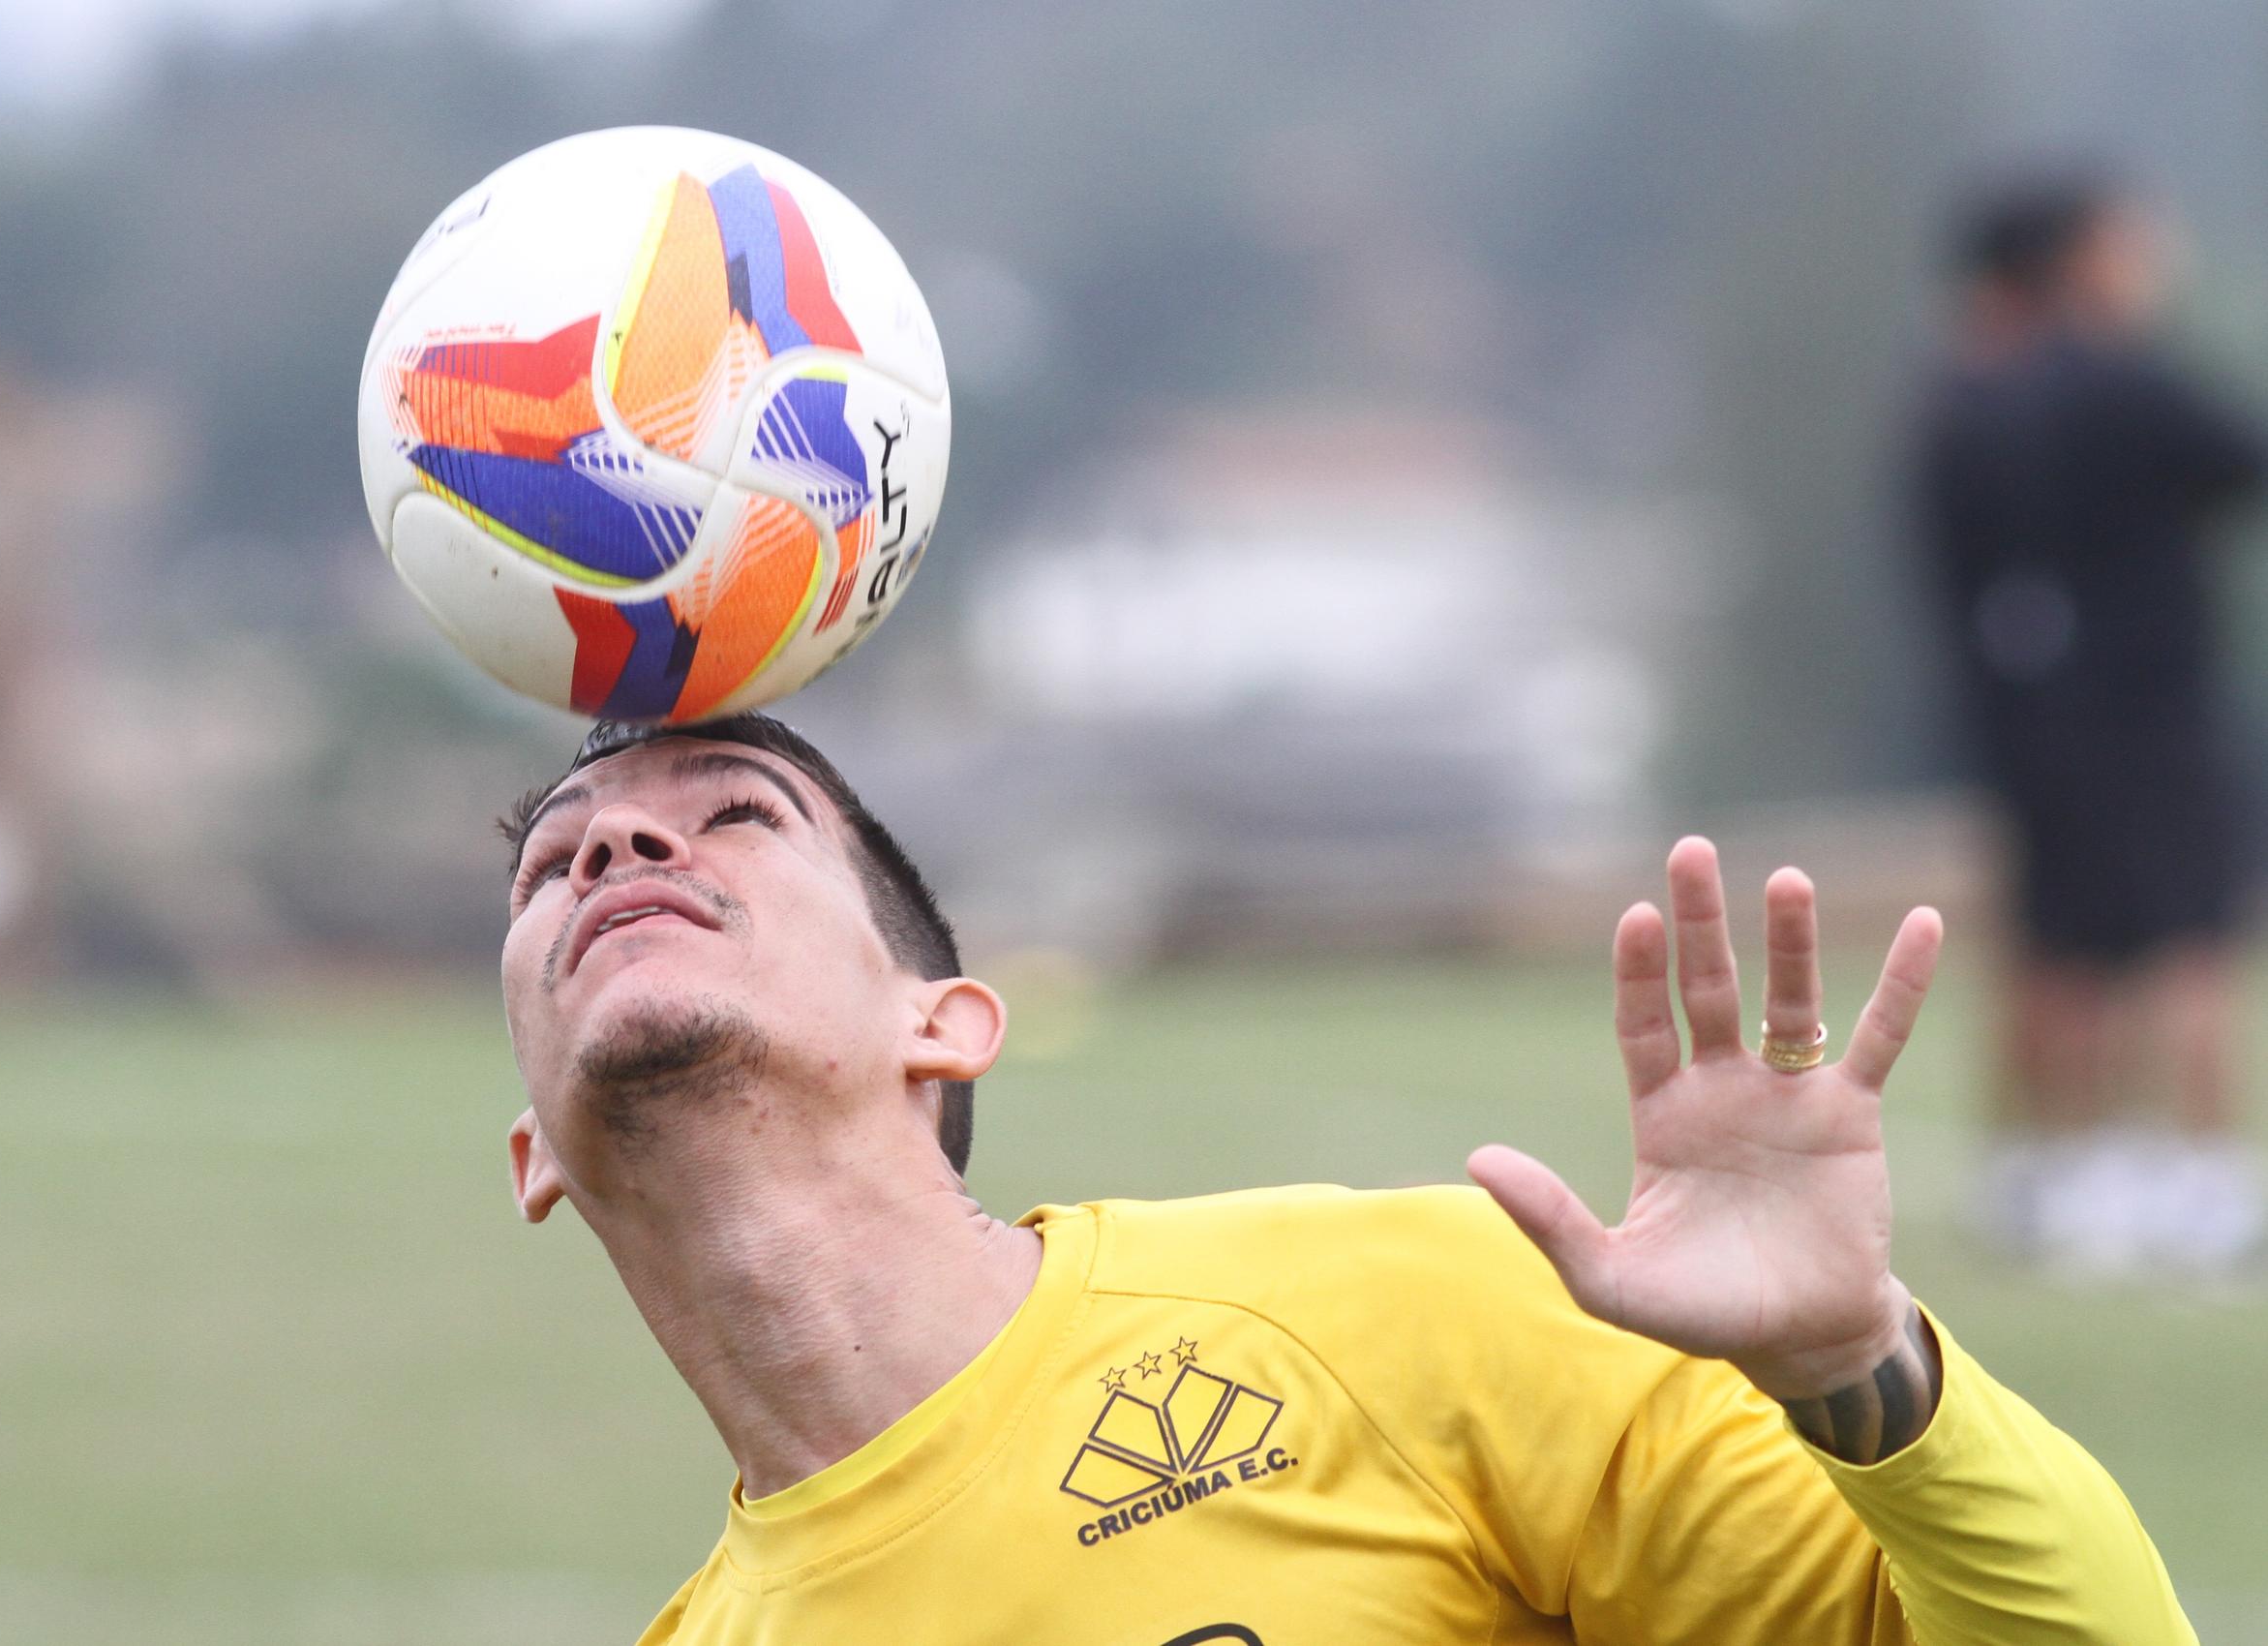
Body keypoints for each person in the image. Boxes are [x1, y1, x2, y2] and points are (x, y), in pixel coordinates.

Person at [498, 713, 2194, 1644]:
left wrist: (1857, 1369)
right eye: (554, 866)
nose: (619, 848)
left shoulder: (1412, 1312)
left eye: (739, 815)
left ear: (945, 1021)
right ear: (532, 1152)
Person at [1916, 172, 2268, 1275]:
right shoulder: (2122, 383)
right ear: (2079, 261)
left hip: (2034, 722)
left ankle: (2066, 1173)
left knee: (2062, 947)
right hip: (2154, 711)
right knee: (2187, 940)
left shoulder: (1964, 403)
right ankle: (2200, 1177)